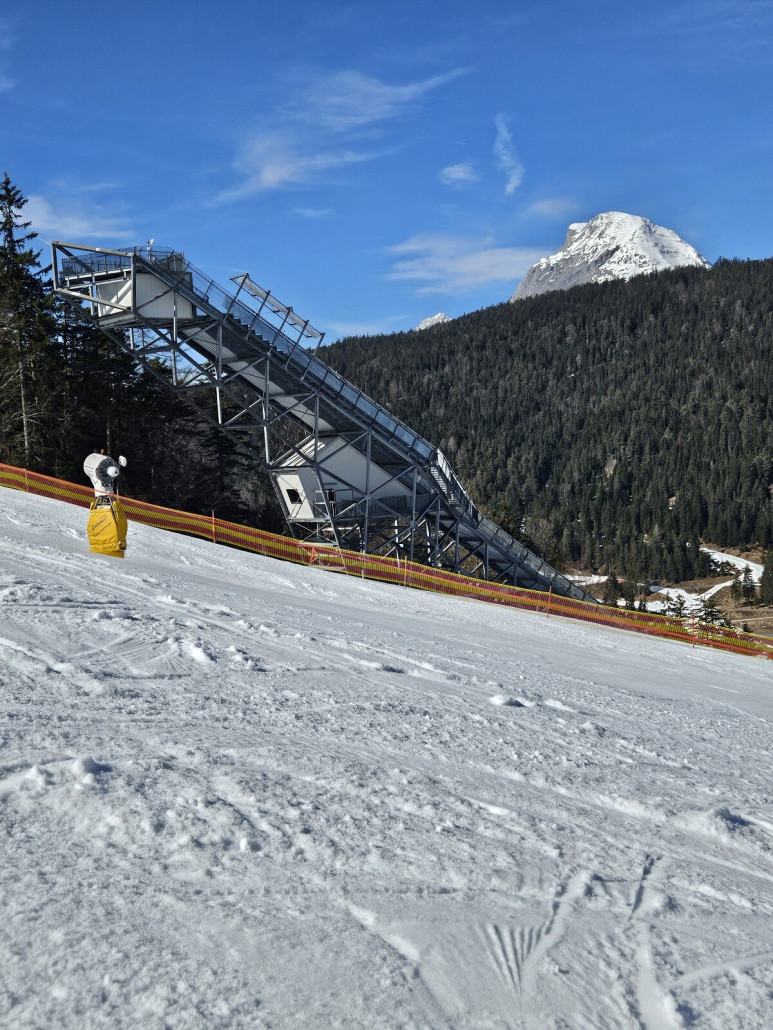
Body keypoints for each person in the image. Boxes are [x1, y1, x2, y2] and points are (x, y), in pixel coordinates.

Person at [83, 449, 129, 558]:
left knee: (118, 519)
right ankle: (107, 546)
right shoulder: (98, 474)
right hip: (102, 497)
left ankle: (114, 546)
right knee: (107, 519)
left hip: (106, 496)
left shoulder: (107, 468)